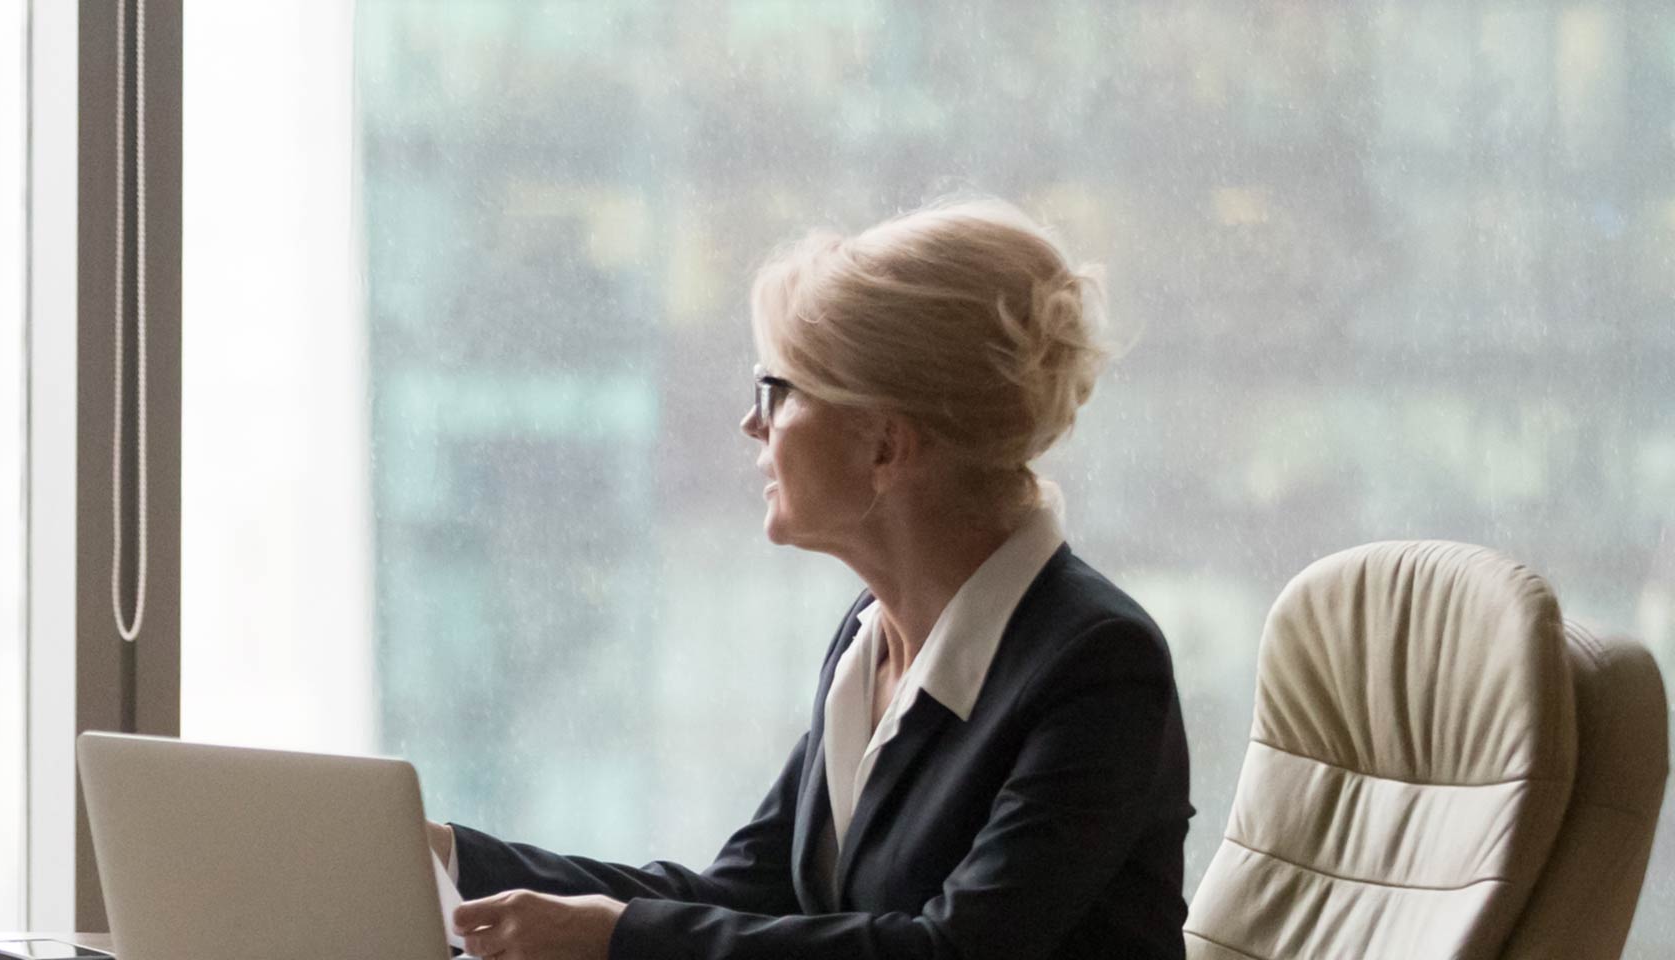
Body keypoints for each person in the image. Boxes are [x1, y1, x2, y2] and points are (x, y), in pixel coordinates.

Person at [435, 198, 1190, 960]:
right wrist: (451, 861)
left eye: (780, 389)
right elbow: (745, 894)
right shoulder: (871, 640)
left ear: (886, 447)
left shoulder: (1098, 664)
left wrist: (619, 940)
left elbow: (955, 952)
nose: (753, 424)